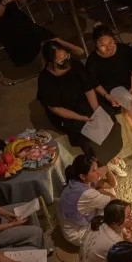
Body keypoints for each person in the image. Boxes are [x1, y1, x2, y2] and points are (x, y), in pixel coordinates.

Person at [37, 42, 126, 174]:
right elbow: (55, 108)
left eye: (66, 56)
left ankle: (113, 155)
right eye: (60, 60)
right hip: (66, 111)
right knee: (87, 133)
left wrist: (97, 110)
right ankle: (103, 161)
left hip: (82, 101)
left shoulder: (76, 65)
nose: (65, 60)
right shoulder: (45, 80)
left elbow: (88, 89)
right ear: (50, 62)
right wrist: (80, 117)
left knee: (107, 118)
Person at [86, 25, 132, 151]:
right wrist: (108, 96)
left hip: (128, 84)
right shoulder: (92, 61)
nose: (108, 47)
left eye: (110, 43)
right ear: (96, 44)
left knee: (126, 104)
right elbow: (95, 84)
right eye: (102, 45)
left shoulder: (124, 50)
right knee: (127, 99)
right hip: (109, 90)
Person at [58, 153, 118, 247]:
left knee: (109, 192)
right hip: (78, 233)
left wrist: (107, 168)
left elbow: (112, 184)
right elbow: (115, 201)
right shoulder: (86, 193)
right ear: (83, 176)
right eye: (94, 170)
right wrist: (101, 191)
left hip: (75, 221)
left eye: (97, 167)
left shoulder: (77, 180)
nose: (98, 172)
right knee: (114, 212)